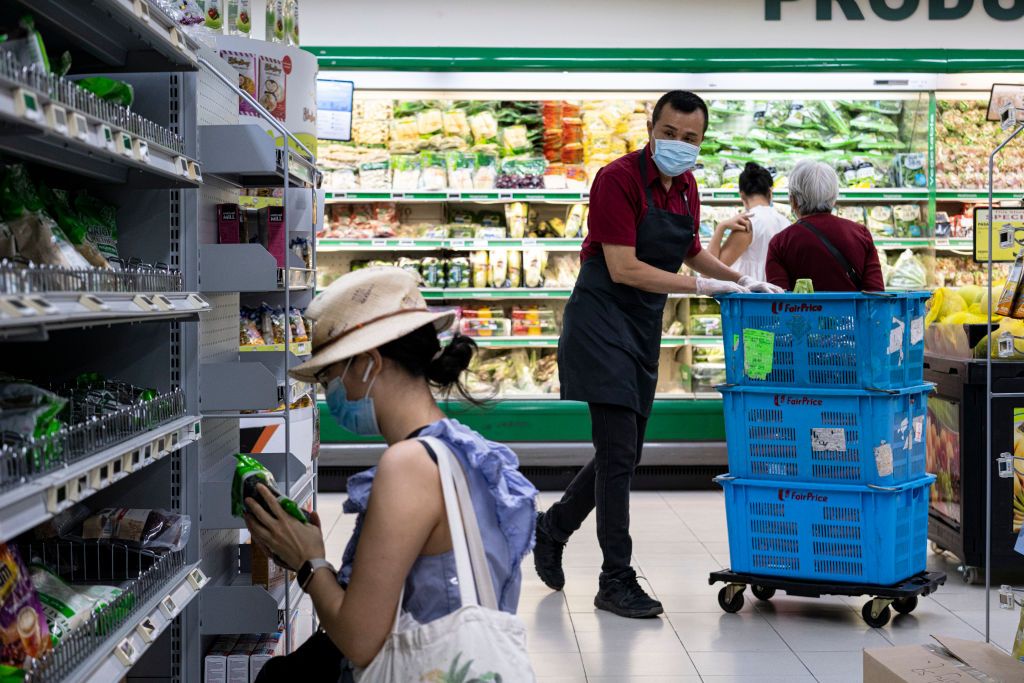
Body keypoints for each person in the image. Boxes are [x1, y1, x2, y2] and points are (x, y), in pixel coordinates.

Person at [533, 90, 783, 620]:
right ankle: (615, 578)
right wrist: (701, 288)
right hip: (602, 323)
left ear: (701, 142)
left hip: (643, 328)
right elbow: (623, 267)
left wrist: (741, 280)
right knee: (620, 454)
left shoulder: (687, 186)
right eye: (669, 133)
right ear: (652, 127)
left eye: (690, 138)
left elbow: (690, 249)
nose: (678, 144)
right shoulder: (617, 180)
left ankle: (553, 527)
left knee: (621, 453)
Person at [245, 267, 537, 681]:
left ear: (367, 364)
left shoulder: (408, 464)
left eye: (329, 378)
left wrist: (307, 563)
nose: (331, 395)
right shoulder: (459, 447)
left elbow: (360, 639)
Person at [765, 159, 885, 292]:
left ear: (793, 201)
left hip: (801, 313)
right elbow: (876, 295)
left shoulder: (780, 243)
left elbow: (779, 301)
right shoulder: (860, 234)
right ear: (833, 199)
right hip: (852, 313)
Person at [708, 162, 790, 281]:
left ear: (742, 195)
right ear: (770, 192)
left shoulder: (747, 223)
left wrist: (721, 227)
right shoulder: (786, 223)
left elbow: (710, 272)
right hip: (778, 295)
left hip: (748, 295)